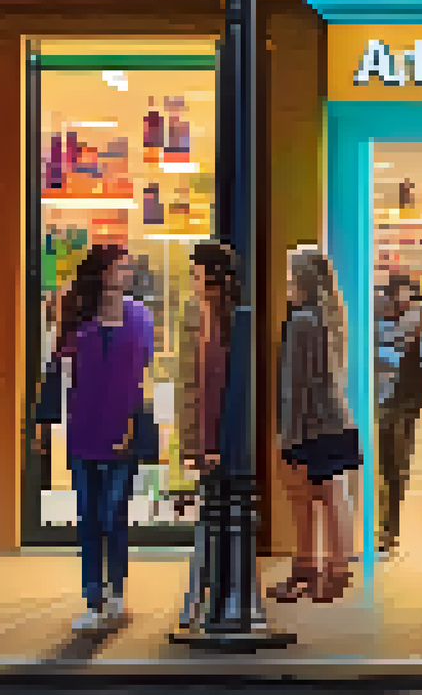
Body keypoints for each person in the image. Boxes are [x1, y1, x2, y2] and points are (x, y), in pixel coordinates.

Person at [51, 245, 155, 632]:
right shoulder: (78, 315)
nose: (126, 272)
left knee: (114, 514)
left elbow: (141, 372)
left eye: (127, 266)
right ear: (103, 272)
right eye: (120, 266)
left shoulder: (141, 316)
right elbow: (60, 365)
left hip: (121, 430)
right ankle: (93, 597)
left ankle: (116, 592)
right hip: (83, 431)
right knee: (88, 518)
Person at [273, 247, 361, 604]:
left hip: (309, 422)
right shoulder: (329, 317)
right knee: (331, 495)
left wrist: (286, 434)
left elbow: (295, 383)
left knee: (308, 497)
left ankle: (316, 569)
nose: (288, 282)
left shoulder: (301, 320)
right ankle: (327, 569)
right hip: (333, 418)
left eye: (292, 275)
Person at [174, 242, 241, 630]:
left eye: (197, 272)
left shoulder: (236, 315)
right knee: (208, 518)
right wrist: (192, 442)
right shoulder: (192, 312)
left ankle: (222, 597)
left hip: (232, 434)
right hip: (207, 435)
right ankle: (198, 599)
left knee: (233, 521)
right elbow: (188, 383)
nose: (194, 279)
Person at [375, 274, 422, 556]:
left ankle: (389, 528)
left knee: (397, 467)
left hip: (406, 403)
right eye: (396, 294)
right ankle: (386, 528)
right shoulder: (380, 324)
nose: (401, 299)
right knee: (387, 466)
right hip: (384, 401)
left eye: (406, 293)